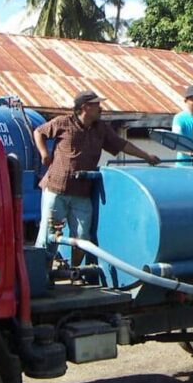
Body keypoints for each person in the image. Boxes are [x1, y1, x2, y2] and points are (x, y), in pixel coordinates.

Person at [34, 90, 160, 268]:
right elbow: (39, 132)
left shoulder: (101, 128)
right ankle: (42, 274)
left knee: (82, 236)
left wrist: (146, 156)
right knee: (49, 235)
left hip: (82, 192)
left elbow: (122, 144)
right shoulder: (63, 122)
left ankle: (74, 271)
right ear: (85, 107)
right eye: (96, 105)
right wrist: (44, 153)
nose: (100, 108)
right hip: (57, 189)